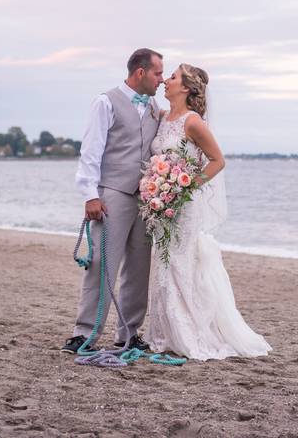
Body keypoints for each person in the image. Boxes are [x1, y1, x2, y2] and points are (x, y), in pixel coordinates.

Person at [146, 64, 272, 360]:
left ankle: (188, 333)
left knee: (179, 265)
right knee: (163, 266)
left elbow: (217, 161)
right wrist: (158, 188)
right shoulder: (164, 118)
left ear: (187, 88)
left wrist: (185, 188)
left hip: (182, 205)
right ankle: (164, 334)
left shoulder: (193, 123)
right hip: (162, 203)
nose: (166, 80)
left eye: (173, 77)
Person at [61, 48, 164, 354]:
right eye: (158, 73)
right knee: (102, 264)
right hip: (112, 194)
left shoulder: (155, 106)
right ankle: (85, 333)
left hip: (145, 199)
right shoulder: (105, 102)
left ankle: (129, 333)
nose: (161, 78)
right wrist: (90, 195)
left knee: (138, 268)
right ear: (141, 72)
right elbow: (91, 151)